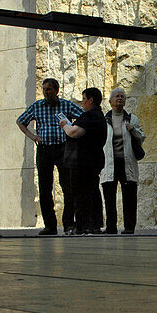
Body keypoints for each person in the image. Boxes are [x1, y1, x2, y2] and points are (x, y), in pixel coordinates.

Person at [16, 78, 83, 235]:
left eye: (49, 89)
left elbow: (83, 117)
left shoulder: (66, 105)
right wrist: (32, 136)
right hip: (44, 149)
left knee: (68, 186)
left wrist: (73, 133)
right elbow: (20, 121)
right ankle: (50, 226)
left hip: (63, 148)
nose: (46, 92)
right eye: (44, 89)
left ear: (57, 90)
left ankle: (68, 224)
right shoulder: (37, 106)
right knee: (45, 188)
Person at [60, 86, 107, 235]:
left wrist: (65, 125)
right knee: (92, 192)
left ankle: (82, 225)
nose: (82, 103)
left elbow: (75, 132)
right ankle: (93, 224)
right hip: (92, 161)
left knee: (81, 194)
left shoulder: (90, 116)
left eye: (84, 100)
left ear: (91, 100)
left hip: (83, 162)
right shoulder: (98, 116)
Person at [100, 87, 146, 234]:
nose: (120, 99)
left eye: (122, 97)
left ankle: (129, 227)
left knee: (130, 197)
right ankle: (111, 227)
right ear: (110, 101)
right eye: (117, 96)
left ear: (125, 101)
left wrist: (132, 129)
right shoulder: (104, 120)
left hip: (127, 163)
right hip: (109, 164)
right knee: (109, 197)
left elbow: (141, 138)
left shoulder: (132, 119)